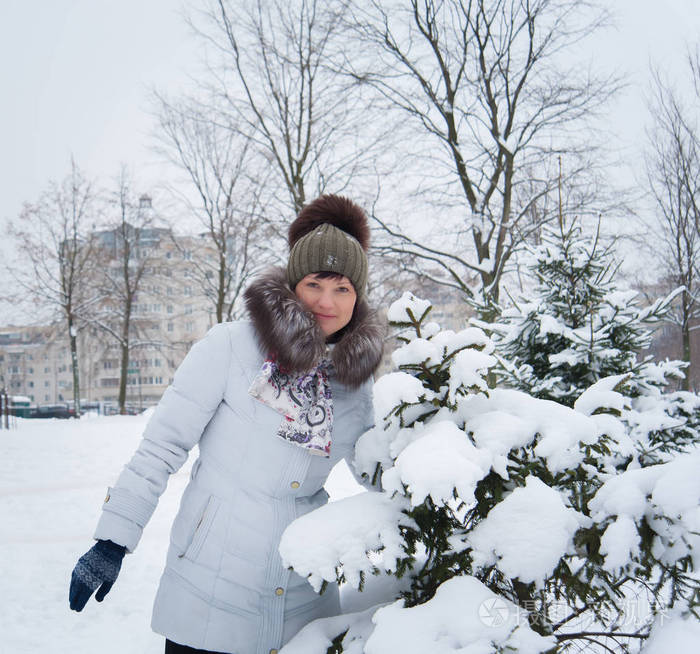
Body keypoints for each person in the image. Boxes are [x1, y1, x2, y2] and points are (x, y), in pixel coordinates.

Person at [69, 195, 384, 654]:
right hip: (207, 593)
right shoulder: (232, 347)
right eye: (316, 283)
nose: (326, 302)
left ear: (357, 299)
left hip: (303, 600)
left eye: (343, 289)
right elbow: (161, 447)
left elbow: (378, 472)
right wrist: (112, 540)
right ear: (294, 283)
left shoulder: (354, 384)